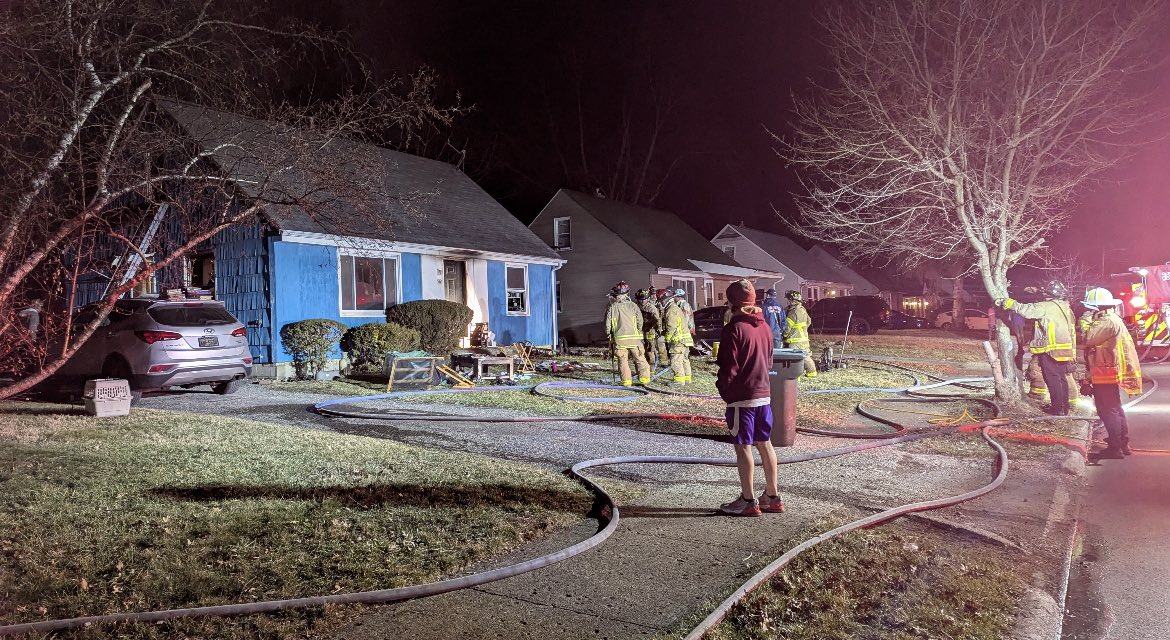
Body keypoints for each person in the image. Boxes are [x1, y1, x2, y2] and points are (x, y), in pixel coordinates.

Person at [715, 280, 782, 516]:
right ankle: (773, 497)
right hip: (763, 395)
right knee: (765, 443)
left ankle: (748, 500)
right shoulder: (764, 327)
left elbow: (729, 366)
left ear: (732, 303)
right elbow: (770, 360)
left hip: (742, 398)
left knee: (743, 447)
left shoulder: (734, 329)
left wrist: (725, 391)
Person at [1080, 288, 1143, 459]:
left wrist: (1085, 321)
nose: (1089, 311)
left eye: (1090, 308)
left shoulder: (1107, 322)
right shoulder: (1112, 319)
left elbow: (1087, 338)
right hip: (1107, 371)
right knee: (1114, 408)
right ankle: (1122, 444)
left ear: (1098, 307)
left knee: (1108, 410)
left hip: (1105, 373)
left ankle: (1116, 448)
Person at [997, 280, 1076, 415]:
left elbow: (1027, 311)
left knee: (1052, 379)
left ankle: (1057, 409)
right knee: (1061, 378)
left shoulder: (1046, 306)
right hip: (1065, 348)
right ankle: (1064, 408)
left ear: (1048, 294)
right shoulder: (1064, 307)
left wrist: (1009, 303)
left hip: (1050, 350)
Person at [605, 281, 652, 386]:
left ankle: (626, 382)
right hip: (635, 339)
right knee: (640, 359)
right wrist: (639, 332)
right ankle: (645, 381)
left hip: (619, 340)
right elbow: (640, 321)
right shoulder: (633, 306)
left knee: (623, 361)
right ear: (627, 293)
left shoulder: (612, 307)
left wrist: (609, 335)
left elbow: (607, 324)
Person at [782, 290, 817, 377]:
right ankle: (812, 373)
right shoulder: (803, 310)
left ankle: (795, 374)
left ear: (794, 301)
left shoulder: (793, 312)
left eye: (789, 300)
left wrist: (784, 335)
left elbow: (787, 327)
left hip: (795, 340)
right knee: (806, 356)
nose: (788, 302)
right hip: (804, 339)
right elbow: (809, 322)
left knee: (794, 358)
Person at [662, 289, 694, 384]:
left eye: (661, 301)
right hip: (685, 339)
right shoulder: (675, 307)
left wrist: (667, 338)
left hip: (678, 340)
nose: (661, 303)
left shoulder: (670, 309)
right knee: (684, 359)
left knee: (676, 360)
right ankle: (687, 379)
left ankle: (679, 381)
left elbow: (671, 325)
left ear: (665, 300)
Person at [635, 288, 664, 368]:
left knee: (650, 351)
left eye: (644, 299)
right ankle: (643, 368)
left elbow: (657, 321)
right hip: (639, 332)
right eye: (640, 299)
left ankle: (651, 369)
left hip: (649, 332)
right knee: (640, 351)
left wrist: (658, 330)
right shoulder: (635, 307)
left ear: (648, 299)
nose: (642, 301)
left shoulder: (651, 308)